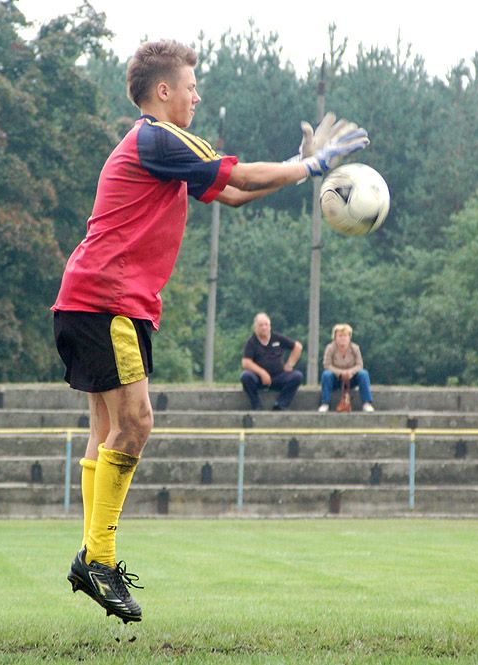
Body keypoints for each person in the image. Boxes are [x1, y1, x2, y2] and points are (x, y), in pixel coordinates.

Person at [51, 39, 368, 623]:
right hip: (108, 302)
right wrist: (312, 165)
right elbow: (240, 171)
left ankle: (92, 559)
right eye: (191, 86)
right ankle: (98, 560)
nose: (198, 96)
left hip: (93, 299)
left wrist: (300, 174)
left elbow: (237, 193)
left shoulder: (158, 149)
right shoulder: (158, 136)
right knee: (137, 423)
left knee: (106, 428)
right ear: (163, 91)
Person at [240, 313, 304, 411]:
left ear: (270, 326)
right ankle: (257, 405)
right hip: (259, 379)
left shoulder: (277, 337)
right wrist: (262, 373)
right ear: (255, 327)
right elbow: (246, 362)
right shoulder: (251, 342)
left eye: (266, 324)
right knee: (245, 376)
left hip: (278, 376)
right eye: (261, 325)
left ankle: (281, 404)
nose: (264, 328)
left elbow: (297, 347)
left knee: (297, 376)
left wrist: (290, 364)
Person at [318, 323, 375, 412]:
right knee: (326, 375)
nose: (343, 338)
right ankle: (325, 403)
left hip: (351, 378)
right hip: (336, 379)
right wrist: (340, 373)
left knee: (364, 374)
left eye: (345, 335)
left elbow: (359, 365)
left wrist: (350, 372)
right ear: (335, 337)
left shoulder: (355, 348)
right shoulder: (330, 348)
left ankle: (366, 403)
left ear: (349, 337)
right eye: (340, 336)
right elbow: (327, 365)